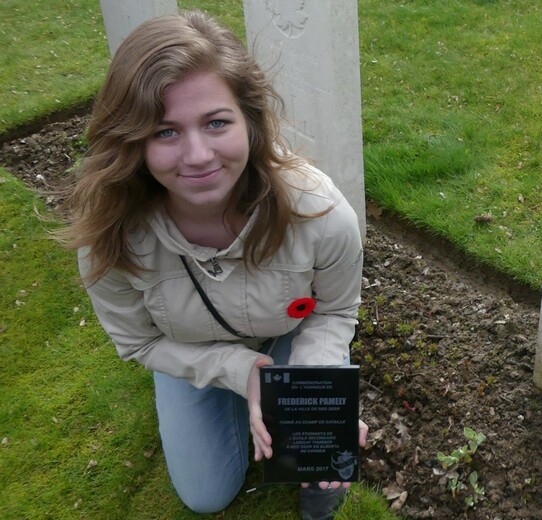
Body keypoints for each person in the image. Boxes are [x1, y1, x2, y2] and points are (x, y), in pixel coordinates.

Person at [58, 11, 365, 520]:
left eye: (216, 122)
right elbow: (140, 342)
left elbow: (334, 311)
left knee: (315, 439)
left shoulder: (321, 214)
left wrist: (317, 391)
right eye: (165, 132)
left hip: (286, 332)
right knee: (206, 495)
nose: (198, 155)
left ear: (251, 120)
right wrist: (236, 370)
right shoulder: (109, 239)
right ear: (133, 141)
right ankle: (229, 393)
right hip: (191, 347)